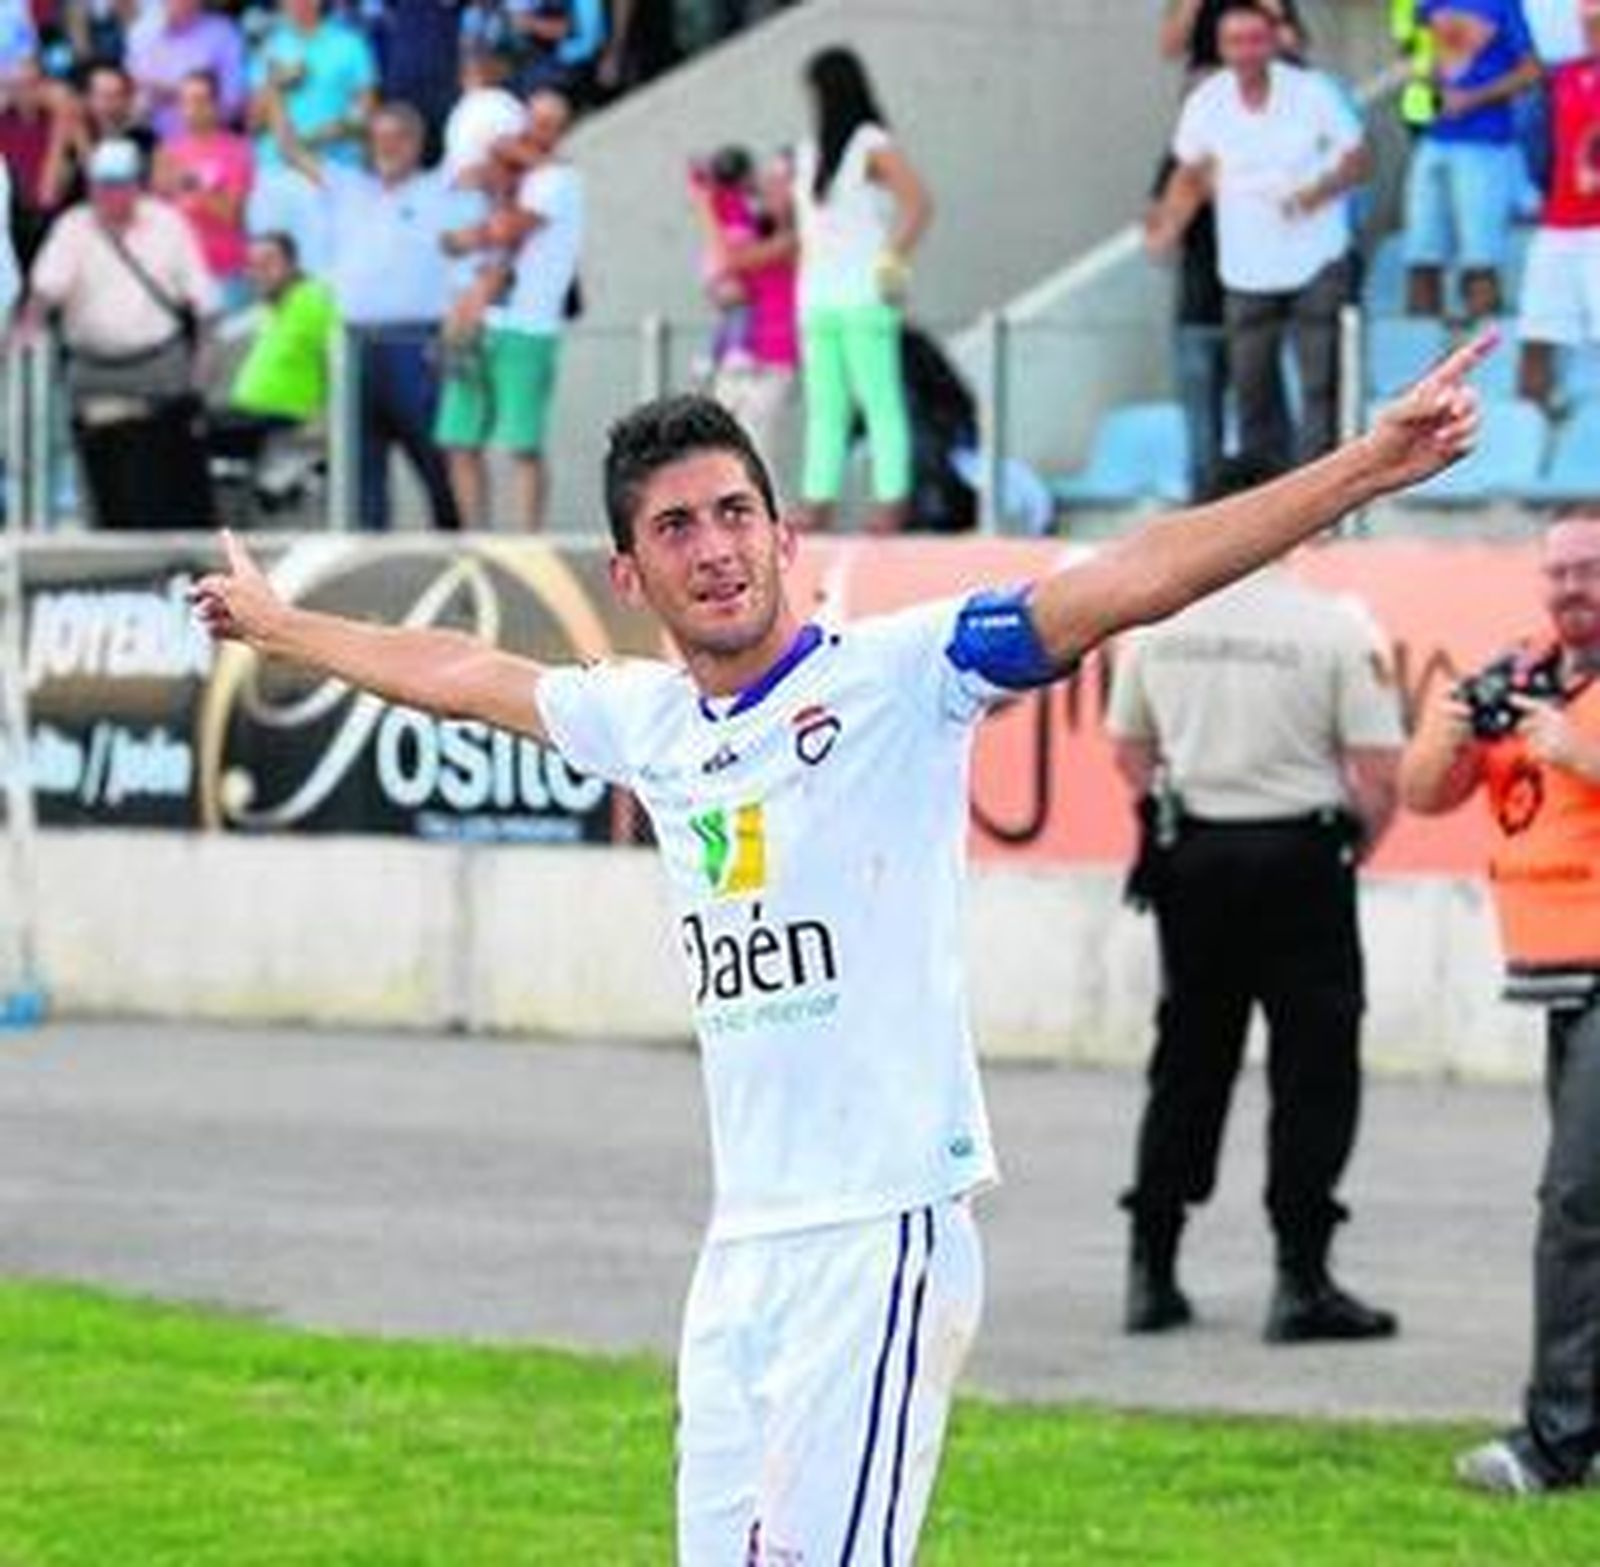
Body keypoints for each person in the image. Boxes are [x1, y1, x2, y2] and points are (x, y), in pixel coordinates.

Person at [191, 335, 1493, 1562]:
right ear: (630, 576)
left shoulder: (904, 674)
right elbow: (462, 666)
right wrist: (281, 624)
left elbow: (1129, 576)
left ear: (783, 530)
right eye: (676, 526)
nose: (715, 547)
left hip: (880, 1233)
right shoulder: (643, 719)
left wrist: (1363, 468)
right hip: (742, 1243)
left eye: (734, 512)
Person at [1105, 453, 1404, 1342]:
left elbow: (1130, 750)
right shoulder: (1331, 628)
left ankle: (1151, 1269)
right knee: (1313, 1067)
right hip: (1301, 853)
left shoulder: (1154, 626)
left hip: (1196, 851)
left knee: (1188, 1062)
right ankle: (1300, 1278)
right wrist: (1348, 849)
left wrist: (1174, 816)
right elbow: (1380, 774)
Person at [1401, 510, 1600, 1496]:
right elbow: (1421, 794)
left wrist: (1575, 750)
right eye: (1557, 572)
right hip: (1561, 977)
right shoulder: (1519, 671)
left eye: (1589, 571)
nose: (1570, 589)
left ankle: (1555, 1442)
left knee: (1574, 1207)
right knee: (1585, 1205)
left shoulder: (1566, 711)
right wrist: (1446, 727)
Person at [1147, 1, 1369, 473]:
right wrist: (1167, 226)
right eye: (1234, 43)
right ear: (1221, 49)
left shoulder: (1312, 92)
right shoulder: (1207, 101)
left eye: (1254, 41)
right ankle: (1266, 494)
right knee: (1252, 389)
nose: (1245, 53)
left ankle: (1320, 497)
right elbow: (1188, 172)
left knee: (1319, 384)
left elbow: (1357, 159)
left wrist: (1314, 194)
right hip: (1246, 268)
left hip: (1317, 259)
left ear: (1273, 42)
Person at [265, 86, 469, 531]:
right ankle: (369, 566)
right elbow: (288, 148)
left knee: (436, 461)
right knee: (361, 467)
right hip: (356, 344)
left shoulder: (439, 189)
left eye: (398, 137)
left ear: (417, 142)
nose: (388, 146)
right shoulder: (347, 186)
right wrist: (276, 95)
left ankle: (459, 549)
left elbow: (487, 158)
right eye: (379, 137)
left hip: (416, 342)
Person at [25, 135, 218, 527]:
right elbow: (45, 292)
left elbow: (203, 301)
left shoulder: (167, 224)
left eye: (118, 184)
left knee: (161, 480)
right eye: (101, 184)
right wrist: (26, 331)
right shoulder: (74, 227)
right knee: (106, 484)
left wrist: (201, 367)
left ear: (136, 184)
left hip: (157, 369)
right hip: (94, 372)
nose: (108, 194)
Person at [792, 45, 930, 534]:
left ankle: (891, 501)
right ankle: (818, 499)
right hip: (817, 296)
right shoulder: (811, 152)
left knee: (879, 400)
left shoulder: (870, 143)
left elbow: (917, 201)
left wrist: (892, 259)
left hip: (865, 293)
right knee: (826, 405)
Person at [435, 87, 582, 529]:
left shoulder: (559, 179)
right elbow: (453, 234)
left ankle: (527, 542)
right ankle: (475, 538)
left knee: (522, 444)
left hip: (528, 327)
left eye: (550, 125)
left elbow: (502, 231)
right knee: (460, 439)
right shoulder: (512, 176)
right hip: (479, 320)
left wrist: (471, 228)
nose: (537, 132)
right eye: (532, 121)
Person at [1401, 0, 1540, 322]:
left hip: (1486, 144)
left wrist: (1475, 98)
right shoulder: (1427, 6)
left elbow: (1532, 70)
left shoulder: (1505, 5)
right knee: (1420, 254)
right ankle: (1421, 360)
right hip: (1434, 139)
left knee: (1481, 257)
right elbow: (1427, 59)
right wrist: (1430, 84)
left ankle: (1485, 355)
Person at [207, 230, 337, 479]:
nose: (258, 272)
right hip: (254, 413)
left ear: (292, 265)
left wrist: (324, 418)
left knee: (201, 435)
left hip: (287, 414)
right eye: (253, 266)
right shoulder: (270, 305)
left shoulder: (314, 300)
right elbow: (221, 335)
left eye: (268, 263)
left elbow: (336, 361)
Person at [1516, 43, 1600, 411]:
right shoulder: (1560, 76)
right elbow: (1537, 144)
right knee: (1537, 333)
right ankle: (1528, 437)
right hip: (1558, 225)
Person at [152, 68, 253, 310]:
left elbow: (232, 216)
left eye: (200, 100)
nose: (191, 108)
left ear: (216, 104)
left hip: (226, 275)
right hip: (180, 276)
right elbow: (157, 217)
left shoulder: (237, 150)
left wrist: (189, 180)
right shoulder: (167, 151)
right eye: (184, 100)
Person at [124, 0, 246, 143]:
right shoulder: (141, 32)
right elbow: (132, 91)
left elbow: (233, 102)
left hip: (207, 142)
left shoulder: (224, 33)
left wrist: (179, 93)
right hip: (150, 139)